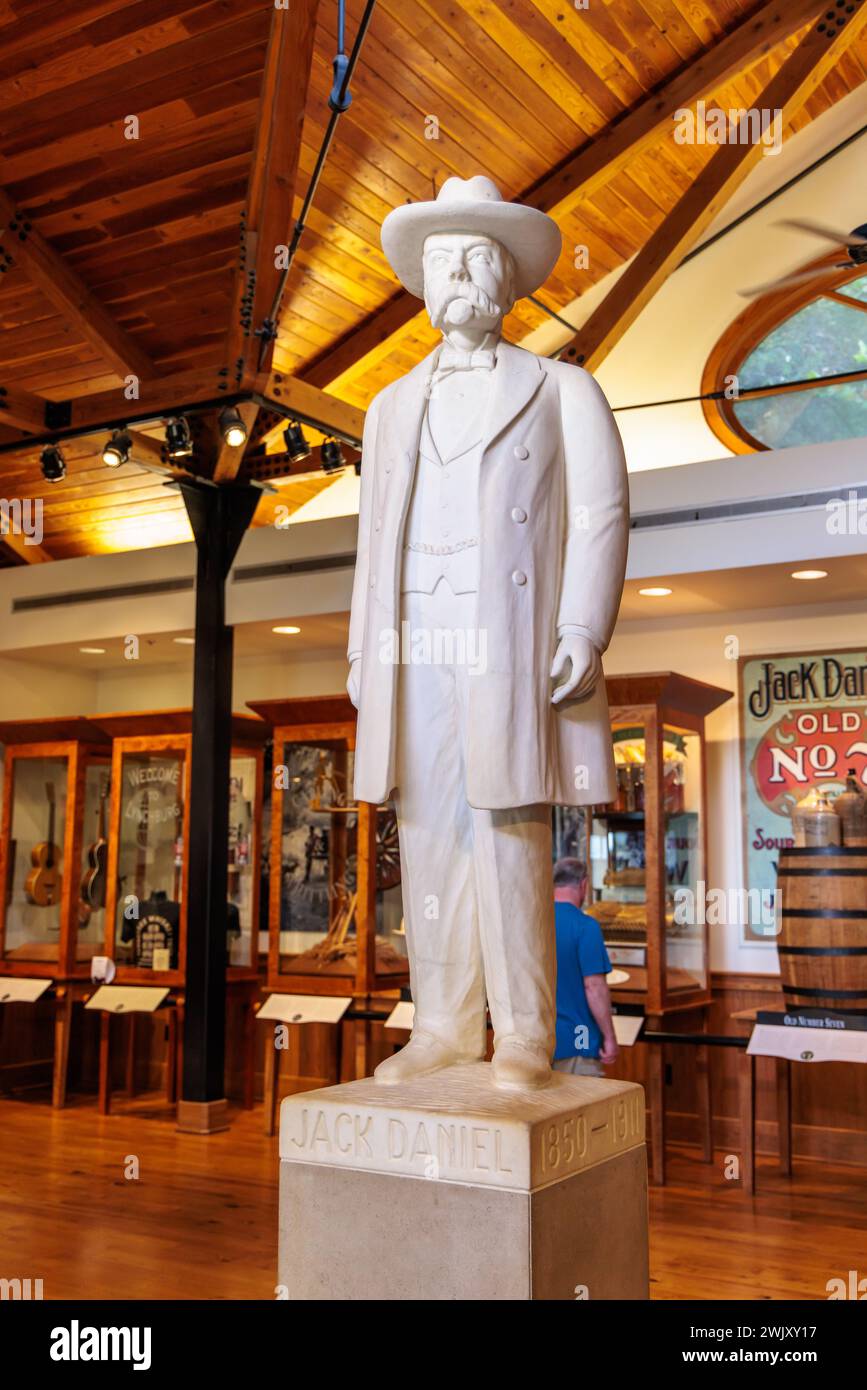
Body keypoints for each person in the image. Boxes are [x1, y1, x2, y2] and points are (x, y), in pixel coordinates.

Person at [346, 175, 628, 1089]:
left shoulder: (561, 388)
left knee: (508, 820)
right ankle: (441, 1024)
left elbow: (601, 513)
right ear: (423, 287)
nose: (460, 275)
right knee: (426, 823)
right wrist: (361, 650)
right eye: (443, 262)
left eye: (478, 259)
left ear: (508, 283)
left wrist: (583, 622)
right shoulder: (388, 407)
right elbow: (372, 537)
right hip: (413, 633)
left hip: (505, 627)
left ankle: (522, 1031)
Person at [552, 857, 619, 1077]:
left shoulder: (535, 923)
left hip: (536, 1044)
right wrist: (609, 1037)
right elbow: (594, 987)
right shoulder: (585, 926)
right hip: (577, 1041)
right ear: (584, 884)